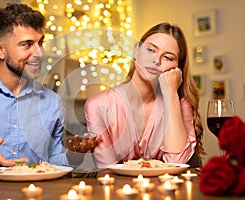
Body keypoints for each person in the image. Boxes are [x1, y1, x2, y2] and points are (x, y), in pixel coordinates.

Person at [0, 3, 99, 178]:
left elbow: (52, 161)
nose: (39, 53)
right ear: (0, 49)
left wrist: (73, 156)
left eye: (40, 43)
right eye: (27, 44)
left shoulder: (52, 102)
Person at [85, 22, 205, 169]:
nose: (156, 60)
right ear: (136, 50)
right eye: (150, 50)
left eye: (168, 57)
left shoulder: (181, 104)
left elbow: (177, 162)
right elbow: (106, 171)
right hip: (118, 190)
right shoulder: (97, 106)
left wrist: (171, 93)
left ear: (176, 68)